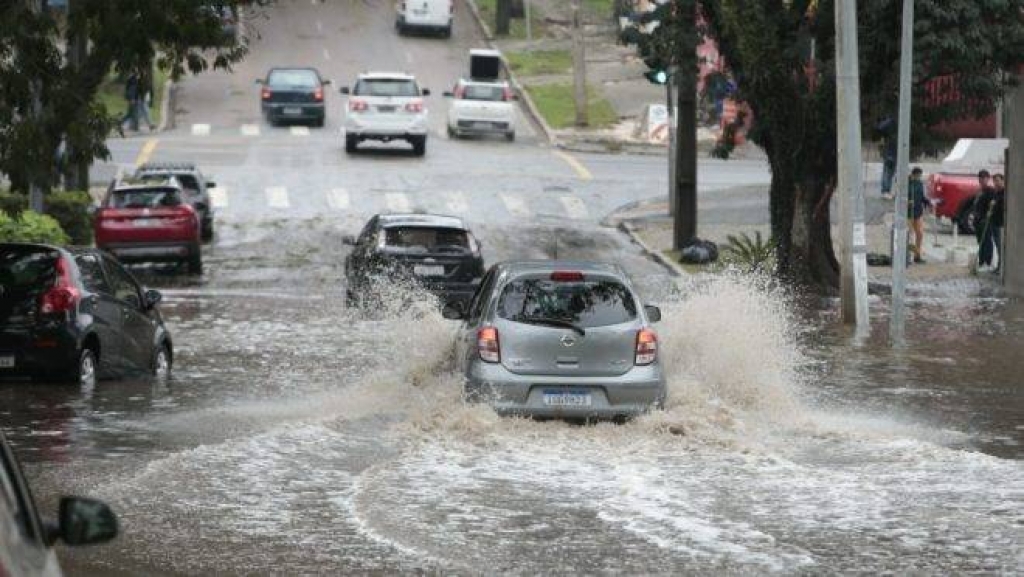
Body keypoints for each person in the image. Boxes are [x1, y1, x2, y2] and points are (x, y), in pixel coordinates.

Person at [973, 170, 998, 271]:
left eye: (984, 178)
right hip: (978, 220)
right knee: (980, 241)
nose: (982, 180)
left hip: (985, 220)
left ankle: (987, 262)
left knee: (986, 241)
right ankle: (981, 261)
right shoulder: (980, 191)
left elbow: (991, 206)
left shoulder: (990, 191)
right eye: (980, 178)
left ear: (988, 179)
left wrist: (986, 217)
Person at [907, 167, 929, 263]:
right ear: (913, 175)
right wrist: (907, 202)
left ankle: (917, 255)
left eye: (920, 176)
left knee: (919, 234)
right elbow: (900, 196)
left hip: (918, 212)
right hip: (908, 213)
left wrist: (927, 202)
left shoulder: (919, 184)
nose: (919, 178)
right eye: (918, 176)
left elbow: (921, 196)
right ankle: (906, 255)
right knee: (908, 235)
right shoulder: (907, 184)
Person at [876, 117, 897, 199]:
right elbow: (880, 128)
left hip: (893, 151)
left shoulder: (893, 123)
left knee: (890, 172)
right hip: (890, 151)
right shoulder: (891, 121)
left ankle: (887, 190)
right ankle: (885, 191)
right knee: (888, 172)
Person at [991, 173, 1006, 273]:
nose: (996, 183)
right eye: (994, 181)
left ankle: (1001, 267)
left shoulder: (1005, 193)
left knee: (1001, 247)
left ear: (1002, 180)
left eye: (998, 180)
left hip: (1001, 224)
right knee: (997, 246)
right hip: (994, 222)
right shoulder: (996, 193)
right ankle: (999, 266)